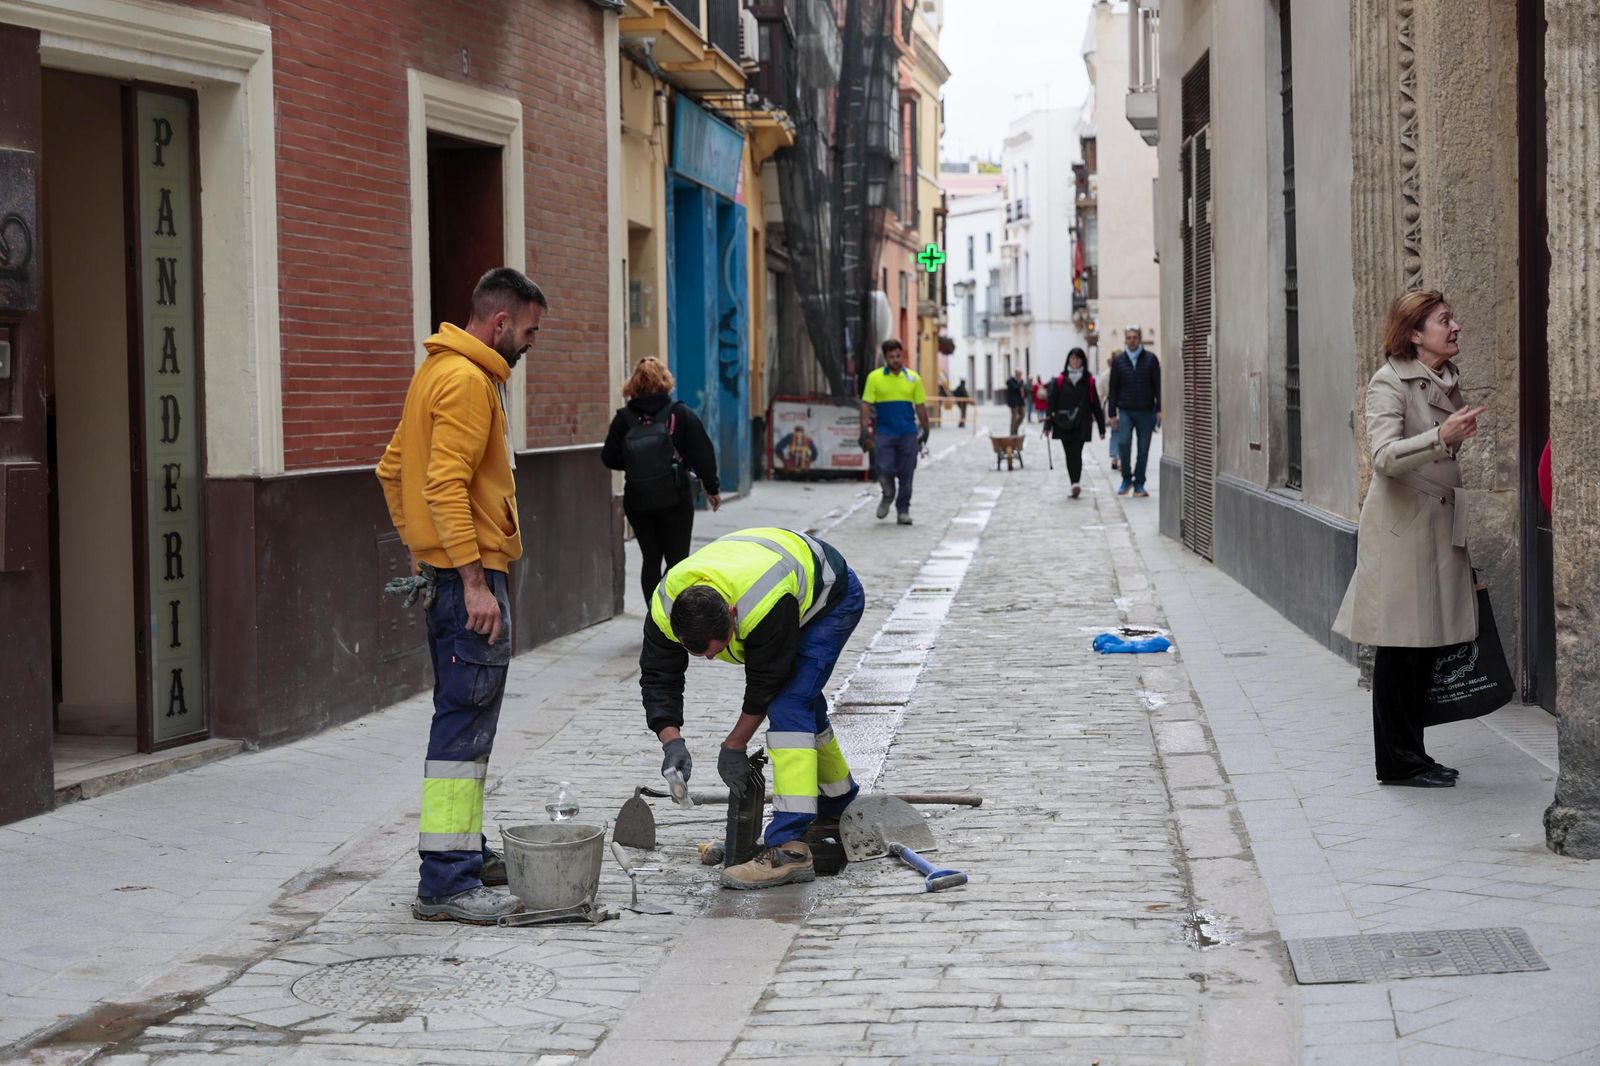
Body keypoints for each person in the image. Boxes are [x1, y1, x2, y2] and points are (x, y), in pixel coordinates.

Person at [376, 267, 547, 924]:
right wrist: (470, 579)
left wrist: (426, 552)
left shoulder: (436, 371)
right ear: (500, 323)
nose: (530, 344)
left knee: (465, 720)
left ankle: (461, 854)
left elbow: (393, 470)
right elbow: (442, 483)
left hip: (450, 574)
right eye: (528, 331)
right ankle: (447, 880)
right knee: (464, 727)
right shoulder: (470, 382)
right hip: (470, 583)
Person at [643, 527, 863, 889]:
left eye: (717, 646)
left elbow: (766, 682)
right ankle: (837, 806)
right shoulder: (666, 609)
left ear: (732, 613)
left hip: (831, 600)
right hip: (775, 578)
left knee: (789, 703)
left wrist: (735, 745)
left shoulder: (763, 602)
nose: (711, 658)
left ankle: (789, 849)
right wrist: (671, 742)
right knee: (804, 700)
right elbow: (657, 676)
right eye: (698, 653)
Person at [1333, 290, 1486, 788]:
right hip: (1403, 531)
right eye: (1445, 320)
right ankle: (1396, 762)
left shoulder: (1442, 379)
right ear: (1415, 333)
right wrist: (1442, 438)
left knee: (1423, 649)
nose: (1456, 326)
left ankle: (1414, 754)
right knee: (1401, 650)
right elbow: (1383, 456)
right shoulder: (1388, 382)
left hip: (1435, 526)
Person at [601, 357, 721, 604]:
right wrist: (712, 488)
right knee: (677, 560)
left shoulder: (624, 419)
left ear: (633, 384)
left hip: (638, 499)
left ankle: (653, 618)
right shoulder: (679, 413)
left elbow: (609, 458)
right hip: (675, 498)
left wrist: (636, 462)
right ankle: (671, 615)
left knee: (650, 559)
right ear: (665, 382)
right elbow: (703, 452)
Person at [859, 339, 930, 526]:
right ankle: (888, 494)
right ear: (886, 358)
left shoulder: (913, 379)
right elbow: (866, 405)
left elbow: (921, 406)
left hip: (908, 433)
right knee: (883, 468)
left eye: (898, 356)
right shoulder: (874, 378)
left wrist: (926, 428)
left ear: (902, 356)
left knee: (907, 474)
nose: (895, 360)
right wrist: (863, 429)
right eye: (891, 357)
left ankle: (903, 510)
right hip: (884, 432)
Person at [1107, 327, 1162, 497]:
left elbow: (1158, 386)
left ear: (1140, 339)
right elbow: (1113, 388)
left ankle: (1139, 483)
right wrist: (1112, 414)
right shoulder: (1119, 361)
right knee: (1124, 443)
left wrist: (1160, 408)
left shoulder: (1151, 359)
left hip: (1146, 410)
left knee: (1143, 448)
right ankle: (1126, 479)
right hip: (1125, 410)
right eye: (1129, 337)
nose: (1132, 340)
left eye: (1135, 337)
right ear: (1125, 340)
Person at [1046, 348, 1106, 499]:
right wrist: (1047, 425)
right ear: (1068, 360)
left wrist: (1101, 427)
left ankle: (1075, 483)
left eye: (1078, 359)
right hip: (1063, 423)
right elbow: (1051, 404)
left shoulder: (1089, 381)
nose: (1075, 361)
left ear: (1082, 361)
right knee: (1068, 453)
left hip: (1082, 422)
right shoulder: (1060, 380)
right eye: (1073, 358)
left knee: (1077, 452)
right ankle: (1073, 481)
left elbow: (1095, 405)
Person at [1004, 370, 1027, 435]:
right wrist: (1020, 385)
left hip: (1020, 402)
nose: (1020, 375)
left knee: (1022, 415)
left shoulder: (1021, 381)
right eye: (1019, 374)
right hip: (1014, 403)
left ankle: (1015, 428)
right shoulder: (1010, 381)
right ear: (1016, 374)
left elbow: (1023, 389)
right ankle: (1012, 432)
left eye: (1021, 374)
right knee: (1014, 417)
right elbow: (1015, 387)